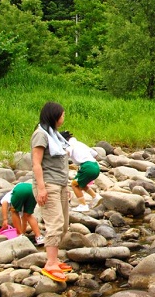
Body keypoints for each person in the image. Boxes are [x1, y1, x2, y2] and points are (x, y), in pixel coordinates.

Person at [31, 101, 73, 283]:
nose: (63, 119)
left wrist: (68, 186)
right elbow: (36, 163)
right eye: (62, 115)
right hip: (48, 185)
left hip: (61, 184)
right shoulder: (41, 135)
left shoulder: (54, 135)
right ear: (54, 116)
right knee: (55, 224)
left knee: (64, 225)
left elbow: (61, 163)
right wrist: (41, 188)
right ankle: (50, 263)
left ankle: (55, 259)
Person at [60, 131, 102, 212]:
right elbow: (95, 154)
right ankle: (95, 196)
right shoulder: (80, 143)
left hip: (87, 167)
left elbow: (67, 152)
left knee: (74, 184)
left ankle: (83, 205)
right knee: (81, 184)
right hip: (95, 166)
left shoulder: (69, 145)